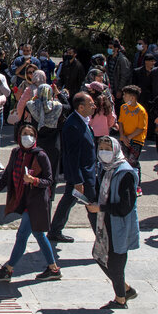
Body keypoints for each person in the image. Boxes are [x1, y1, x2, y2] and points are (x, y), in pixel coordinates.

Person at [0, 124, 60, 282]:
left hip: (36, 202)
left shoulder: (40, 155)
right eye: (24, 134)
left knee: (22, 235)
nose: (27, 137)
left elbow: (49, 180)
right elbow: (7, 174)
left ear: (35, 137)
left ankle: (8, 269)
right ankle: (53, 268)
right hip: (24, 200)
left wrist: (34, 180)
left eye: (30, 134)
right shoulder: (16, 152)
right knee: (38, 235)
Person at [86, 137, 141, 310]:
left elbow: (125, 206)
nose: (104, 152)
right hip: (106, 224)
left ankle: (120, 300)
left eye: (108, 148)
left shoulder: (124, 172)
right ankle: (125, 289)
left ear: (116, 149)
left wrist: (101, 208)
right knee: (99, 256)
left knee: (116, 264)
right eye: (101, 148)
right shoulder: (104, 169)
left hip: (119, 226)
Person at [48, 93, 98, 243]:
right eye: (91, 104)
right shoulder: (73, 125)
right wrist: (77, 181)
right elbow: (72, 156)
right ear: (81, 107)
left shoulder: (83, 121)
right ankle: (103, 237)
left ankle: (55, 230)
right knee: (92, 206)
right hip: (82, 176)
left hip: (84, 174)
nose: (94, 106)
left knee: (68, 200)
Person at [117, 85, 148, 188]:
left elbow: (141, 128)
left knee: (133, 161)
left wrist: (129, 137)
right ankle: (125, 182)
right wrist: (122, 135)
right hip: (124, 138)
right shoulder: (123, 107)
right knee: (123, 160)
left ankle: (136, 185)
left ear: (132, 97)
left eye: (125, 95)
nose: (123, 97)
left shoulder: (141, 111)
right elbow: (120, 122)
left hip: (136, 140)